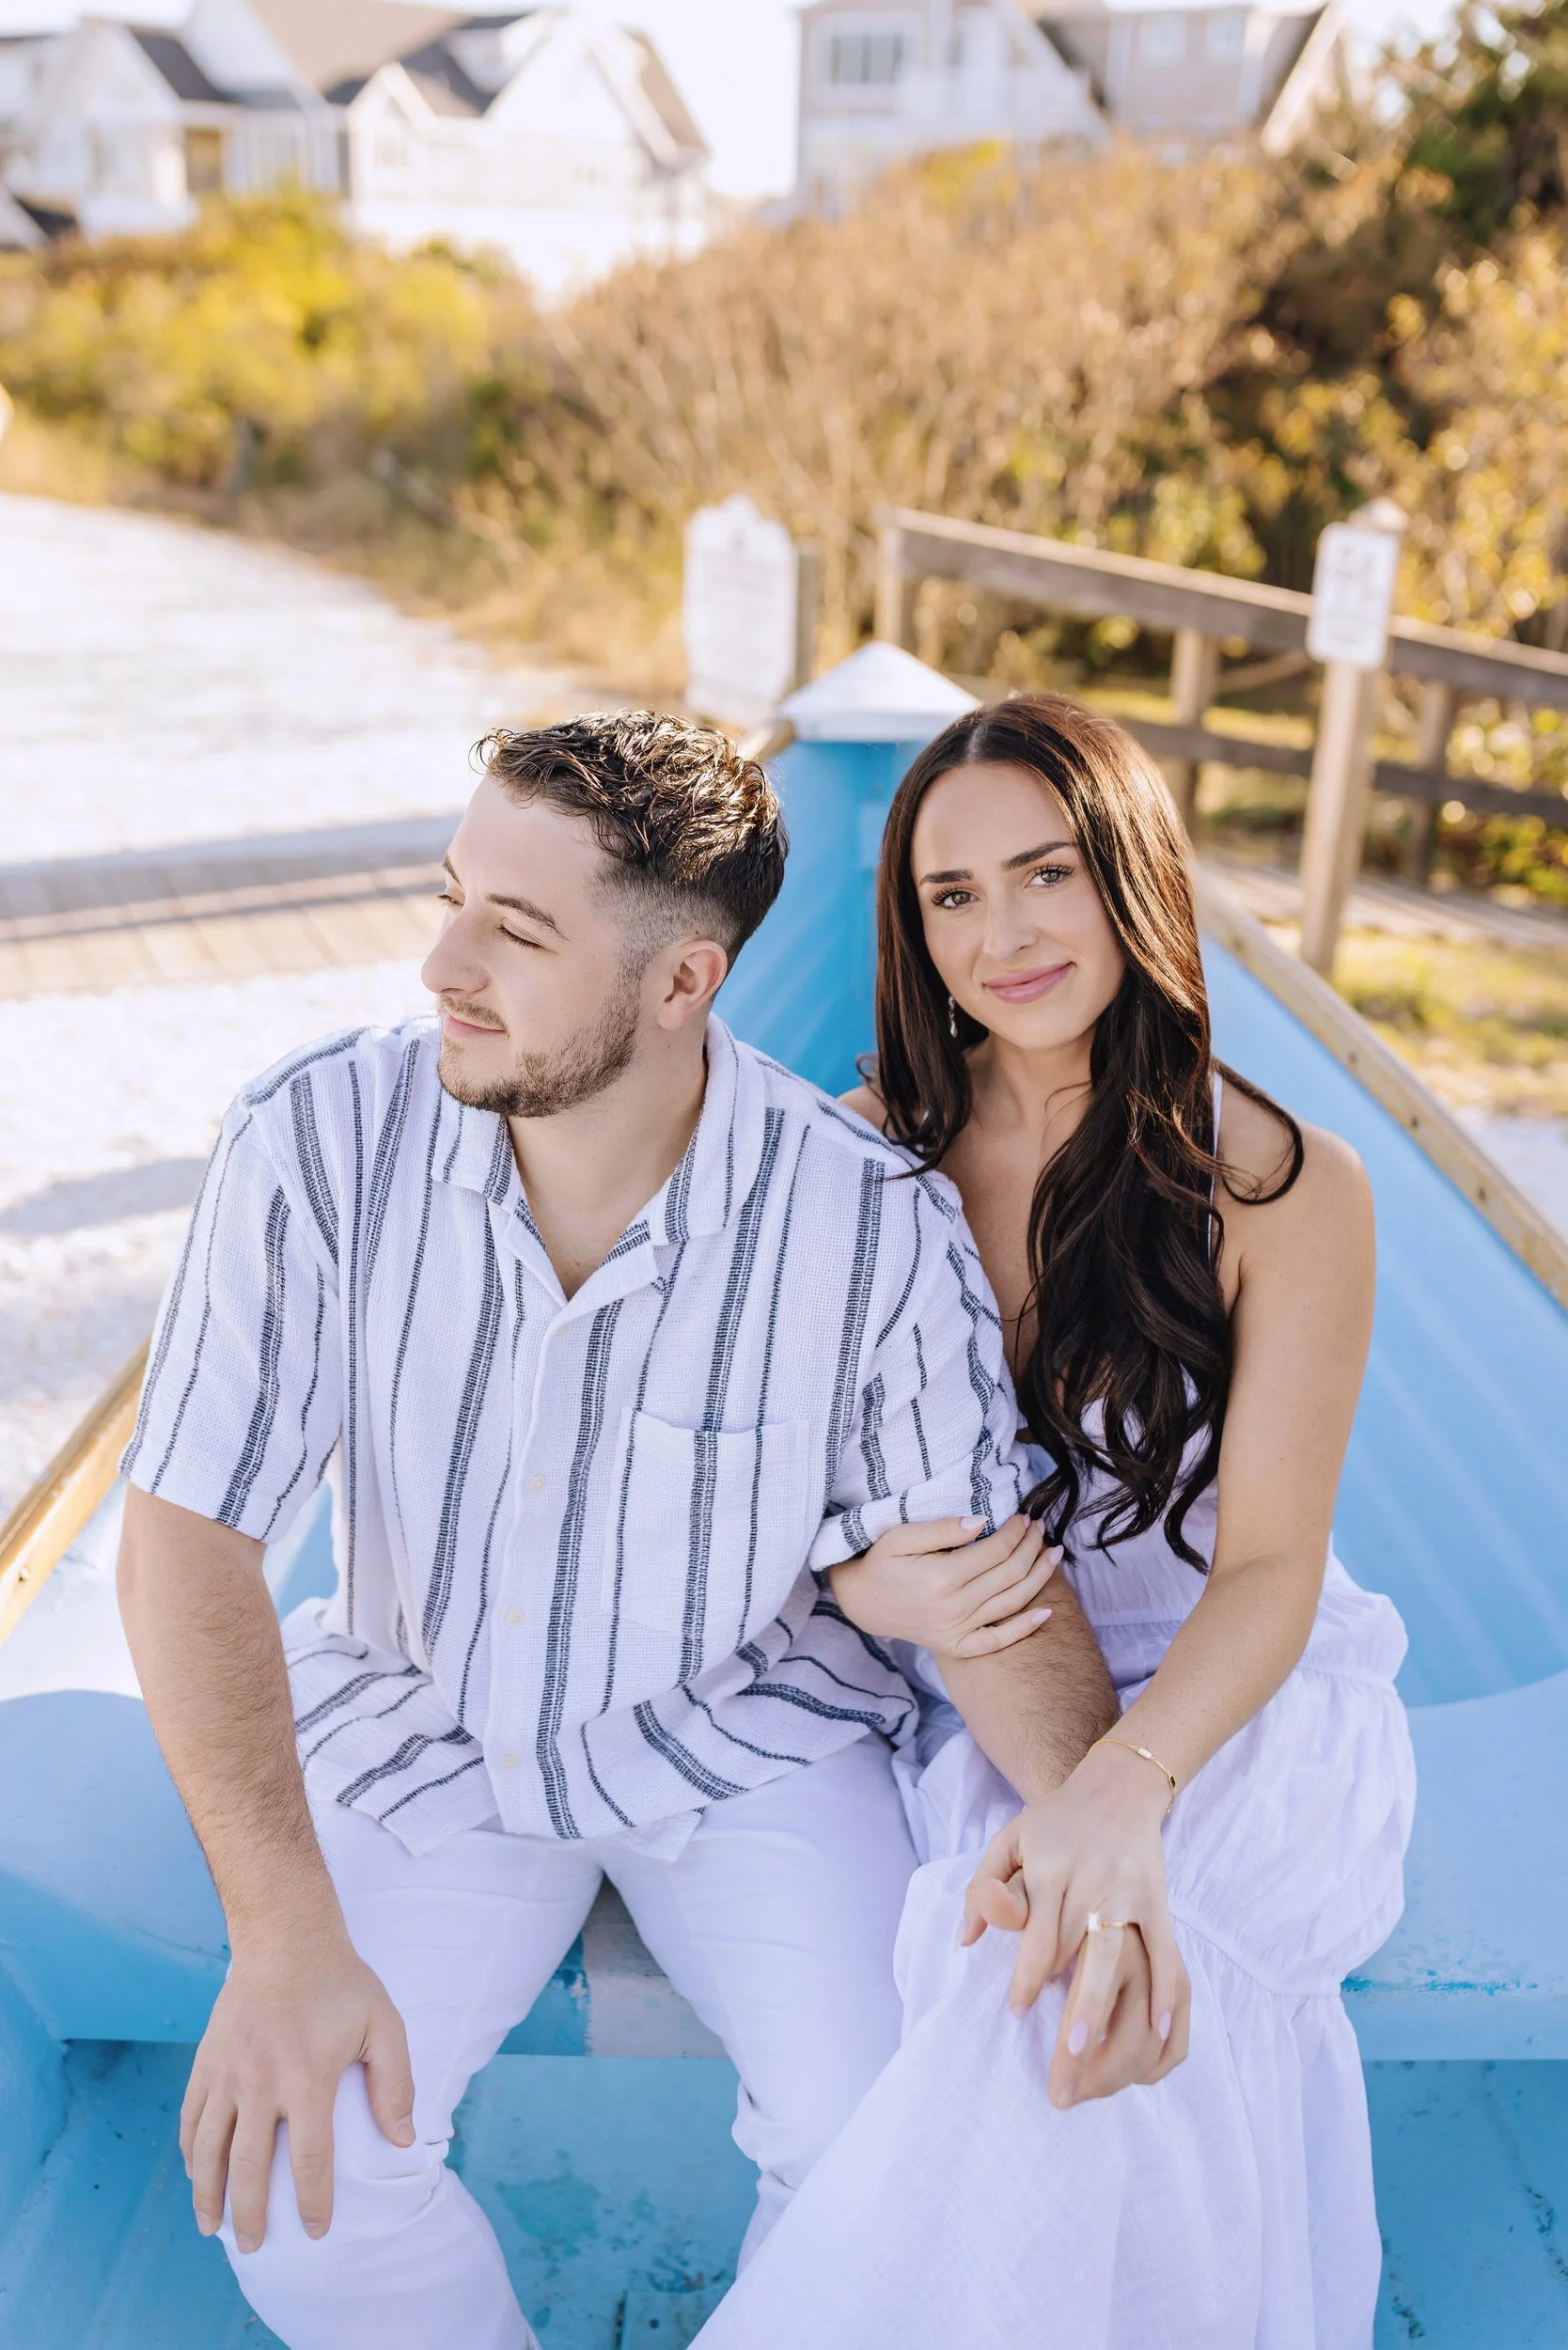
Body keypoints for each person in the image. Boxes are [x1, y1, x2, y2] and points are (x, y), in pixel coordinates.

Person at [116, 711, 1155, 2350]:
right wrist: (284, 1932)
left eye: (516, 932)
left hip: (752, 1732)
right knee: (304, 2190)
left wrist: (1108, 1827)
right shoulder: (314, 1140)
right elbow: (188, 1538)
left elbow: (988, 1591)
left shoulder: (867, 1222)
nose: (444, 964)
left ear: (683, 984)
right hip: (422, 1722)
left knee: (891, 2152)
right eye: (452, 896)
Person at [696, 695, 1417, 2350]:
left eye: (1047, 875)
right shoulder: (869, 1155)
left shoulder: (1286, 1188)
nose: (1005, 934)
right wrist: (867, 1575)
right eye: (955, 896)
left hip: (1236, 1705)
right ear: (913, 925)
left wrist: (1125, 1790)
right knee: (996, 1963)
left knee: (1076, 1980)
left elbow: (1272, 1568)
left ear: (1132, 878)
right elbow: (774, 1490)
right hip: (988, 1692)